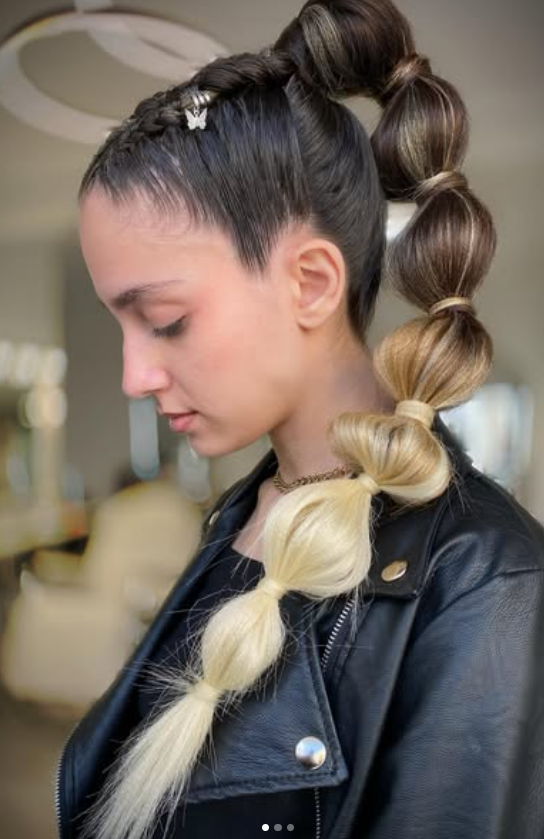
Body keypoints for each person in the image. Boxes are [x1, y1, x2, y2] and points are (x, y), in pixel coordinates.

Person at [56, 1, 544, 838]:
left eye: (166, 319)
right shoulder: (238, 514)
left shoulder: (486, 581)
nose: (135, 375)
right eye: (120, 326)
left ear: (311, 283)